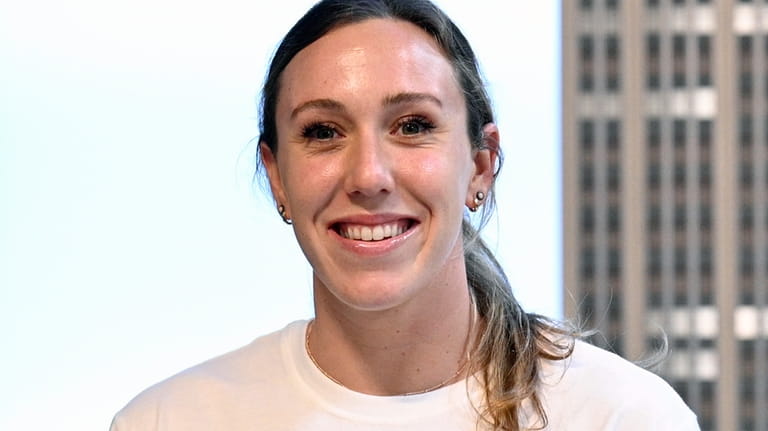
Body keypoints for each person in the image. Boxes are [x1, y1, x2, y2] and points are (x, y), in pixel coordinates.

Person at [109, 1, 700, 430]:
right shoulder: (171, 420)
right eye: (323, 131)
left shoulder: (620, 416)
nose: (368, 175)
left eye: (412, 126)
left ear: (480, 165)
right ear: (276, 177)